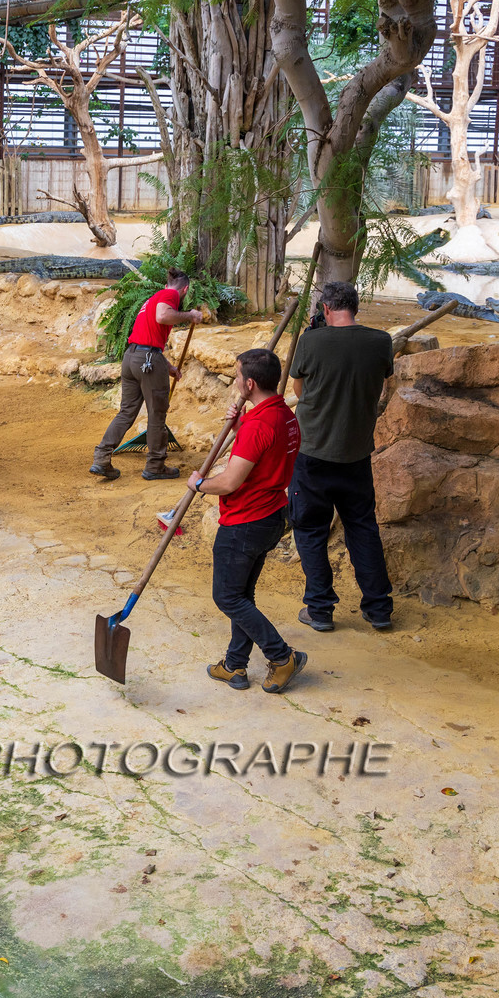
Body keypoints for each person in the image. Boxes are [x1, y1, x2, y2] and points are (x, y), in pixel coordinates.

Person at [189, 348, 306, 694]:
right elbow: (265, 450)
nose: (236, 380)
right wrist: (241, 424)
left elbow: (229, 482)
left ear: (250, 383)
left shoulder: (259, 425)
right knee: (242, 593)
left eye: (238, 375)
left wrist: (198, 484)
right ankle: (234, 665)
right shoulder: (284, 415)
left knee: (228, 597)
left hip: (245, 522)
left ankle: (282, 657)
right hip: (271, 515)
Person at [287, 281, 396, 633]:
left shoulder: (311, 341)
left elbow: (299, 390)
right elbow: (381, 384)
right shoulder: (381, 341)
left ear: (326, 309)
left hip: (313, 453)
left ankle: (320, 609)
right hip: (356, 454)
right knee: (363, 528)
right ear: (355, 307)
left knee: (310, 530)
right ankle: (378, 609)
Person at [90, 268, 205, 481]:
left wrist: (167, 365)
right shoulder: (170, 295)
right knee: (156, 413)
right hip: (148, 360)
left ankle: (101, 457)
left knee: (126, 412)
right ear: (185, 289)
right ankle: (155, 465)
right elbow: (163, 317)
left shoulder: (154, 298)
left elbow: (148, 338)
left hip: (132, 357)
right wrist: (190, 315)